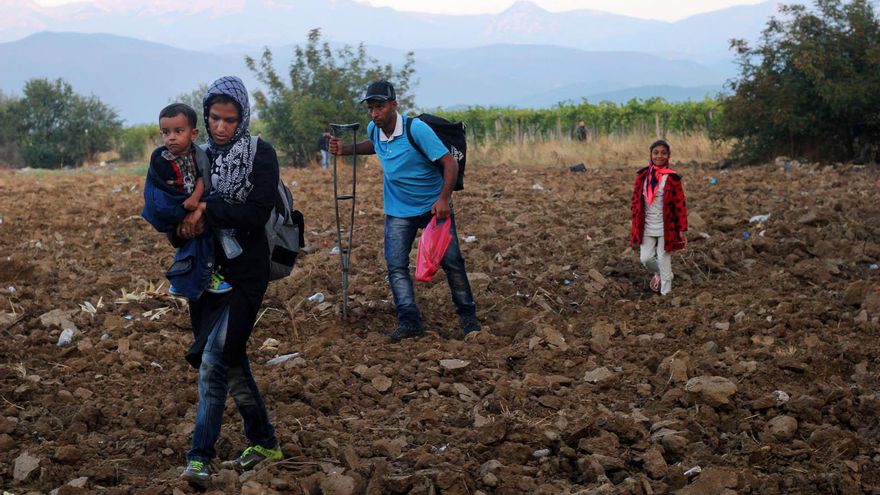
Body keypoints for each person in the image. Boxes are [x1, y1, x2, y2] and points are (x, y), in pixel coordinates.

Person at [176, 76, 282, 487]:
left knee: (214, 362)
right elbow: (177, 214)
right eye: (214, 118)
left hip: (246, 274)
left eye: (230, 120)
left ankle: (199, 458)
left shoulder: (260, 154)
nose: (221, 127)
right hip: (205, 275)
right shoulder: (195, 157)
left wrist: (207, 210)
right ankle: (265, 442)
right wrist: (181, 226)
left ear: (243, 118)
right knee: (232, 362)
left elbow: (256, 214)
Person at [330, 80, 480, 341]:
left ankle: (469, 319)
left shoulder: (416, 130)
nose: (374, 114)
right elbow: (374, 144)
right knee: (396, 266)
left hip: (434, 208)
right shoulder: (375, 129)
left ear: (394, 105)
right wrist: (345, 150)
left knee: (452, 263)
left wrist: (444, 199)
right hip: (399, 209)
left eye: (379, 107)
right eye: (370, 108)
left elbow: (450, 164)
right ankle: (409, 321)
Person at [140, 102, 234, 297]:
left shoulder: (199, 155)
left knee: (203, 241)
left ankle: (193, 279)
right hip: (174, 210)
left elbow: (202, 179)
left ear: (193, 134)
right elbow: (158, 189)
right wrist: (181, 211)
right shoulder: (161, 158)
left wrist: (196, 200)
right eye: (166, 132)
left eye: (178, 131)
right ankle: (182, 279)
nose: (171, 137)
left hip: (194, 205)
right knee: (188, 239)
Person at [629, 139, 688, 296]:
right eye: (656, 153)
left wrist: (682, 228)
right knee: (645, 259)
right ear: (650, 155)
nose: (659, 156)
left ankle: (666, 295)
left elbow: (680, 204)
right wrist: (634, 219)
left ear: (668, 156)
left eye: (663, 153)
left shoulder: (673, 178)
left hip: (666, 226)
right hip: (646, 225)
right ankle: (662, 273)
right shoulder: (642, 176)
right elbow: (635, 200)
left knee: (663, 259)